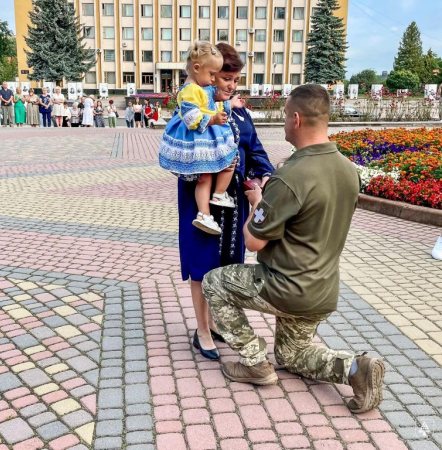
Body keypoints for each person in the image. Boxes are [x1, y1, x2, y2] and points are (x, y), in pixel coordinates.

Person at [202, 84, 385, 414]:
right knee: (292, 356)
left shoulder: (290, 176)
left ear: (297, 119)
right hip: (322, 290)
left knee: (214, 282)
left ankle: (254, 363)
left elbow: (254, 241)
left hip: (285, 286)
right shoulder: (348, 170)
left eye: (286, 116)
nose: (285, 122)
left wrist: (258, 201)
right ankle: (356, 369)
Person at [176, 43, 274, 359]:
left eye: (235, 80)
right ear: (210, 75)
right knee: (201, 265)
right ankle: (202, 330)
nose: (231, 85)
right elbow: (183, 147)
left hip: (233, 202)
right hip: (200, 200)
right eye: (225, 79)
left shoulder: (240, 112)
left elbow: (255, 150)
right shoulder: (193, 106)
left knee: (229, 265)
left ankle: (217, 323)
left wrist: (264, 175)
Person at [158, 41, 238, 236]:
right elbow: (192, 117)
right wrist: (213, 119)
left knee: (212, 172)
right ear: (196, 68)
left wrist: (228, 106)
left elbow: (213, 104)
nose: (213, 80)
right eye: (212, 74)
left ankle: (213, 201)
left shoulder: (202, 88)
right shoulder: (191, 90)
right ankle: (206, 210)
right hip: (195, 138)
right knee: (206, 175)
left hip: (205, 137)